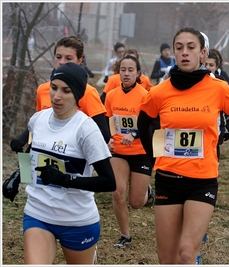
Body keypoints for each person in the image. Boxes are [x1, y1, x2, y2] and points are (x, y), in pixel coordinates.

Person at [137, 26, 229, 264]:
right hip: (168, 179)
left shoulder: (217, 88)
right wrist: (153, 156)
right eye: (179, 48)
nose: (184, 53)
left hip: (202, 180)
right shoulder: (160, 92)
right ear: (173, 52)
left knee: (186, 254)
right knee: (167, 259)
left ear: (202, 54)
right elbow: (143, 125)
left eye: (191, 48)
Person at [24, 62, 116, 264]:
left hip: (76, 220)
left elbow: (109, 182)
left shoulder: (86, 129)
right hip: (38, 213)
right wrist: (18, 177)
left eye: (66, 91)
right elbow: (31, 154)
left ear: (77, 95)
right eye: (54, 87)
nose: (57, 96)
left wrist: (66, 180)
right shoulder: (38, 119)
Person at [10, 36, 110, 155]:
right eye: (58, 57)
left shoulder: (88, 92)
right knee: (19, 174)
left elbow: (104, 135)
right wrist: (22, 140)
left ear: (80, 60)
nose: (62, 62)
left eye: (68, 58)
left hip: (67, 158)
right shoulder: (42, 90)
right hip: (39, 152)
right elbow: (39, 125)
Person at [104, 55, 155, 249]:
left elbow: (151, 123)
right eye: (123, 70)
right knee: (117, 192)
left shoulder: (145, 95)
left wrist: (134, 133)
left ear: (138, 73)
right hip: (119, 150)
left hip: (141, 151)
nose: (126, 73)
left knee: (136, 202)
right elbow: (110, 121)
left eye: (130, 70)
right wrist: (109, 138)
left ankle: (146, 192)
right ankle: (125, 235)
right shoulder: (111, 95)